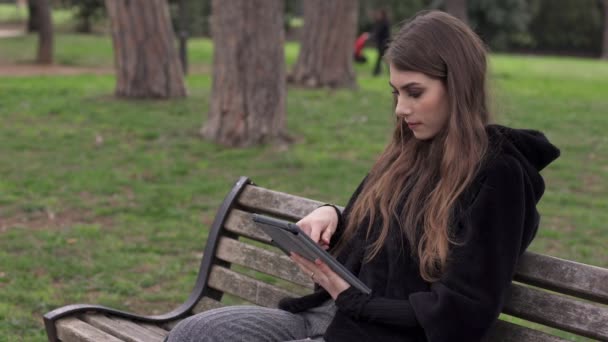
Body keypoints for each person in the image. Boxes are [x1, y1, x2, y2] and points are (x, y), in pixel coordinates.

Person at [166, 10, 560, 342]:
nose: (401, 109)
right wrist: (333, 217)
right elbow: (383, 232)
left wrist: (353, 300)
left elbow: (463, 314)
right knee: (195, 333)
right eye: (396, 94)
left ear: (458, 87)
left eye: (415, 92)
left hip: (383, 334)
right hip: (331, 320)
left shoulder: (499, 175)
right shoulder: (406, 153)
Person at [371, 9, 390, 76]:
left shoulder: (384, 23)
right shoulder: (380, 22)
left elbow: (379, 32)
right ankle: (377, 71)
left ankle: (377, 71)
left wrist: (373, 36)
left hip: (383, 43)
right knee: (382, 58)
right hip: (381, 43)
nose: (378, 16)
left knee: (382, 58)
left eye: (379, 14)